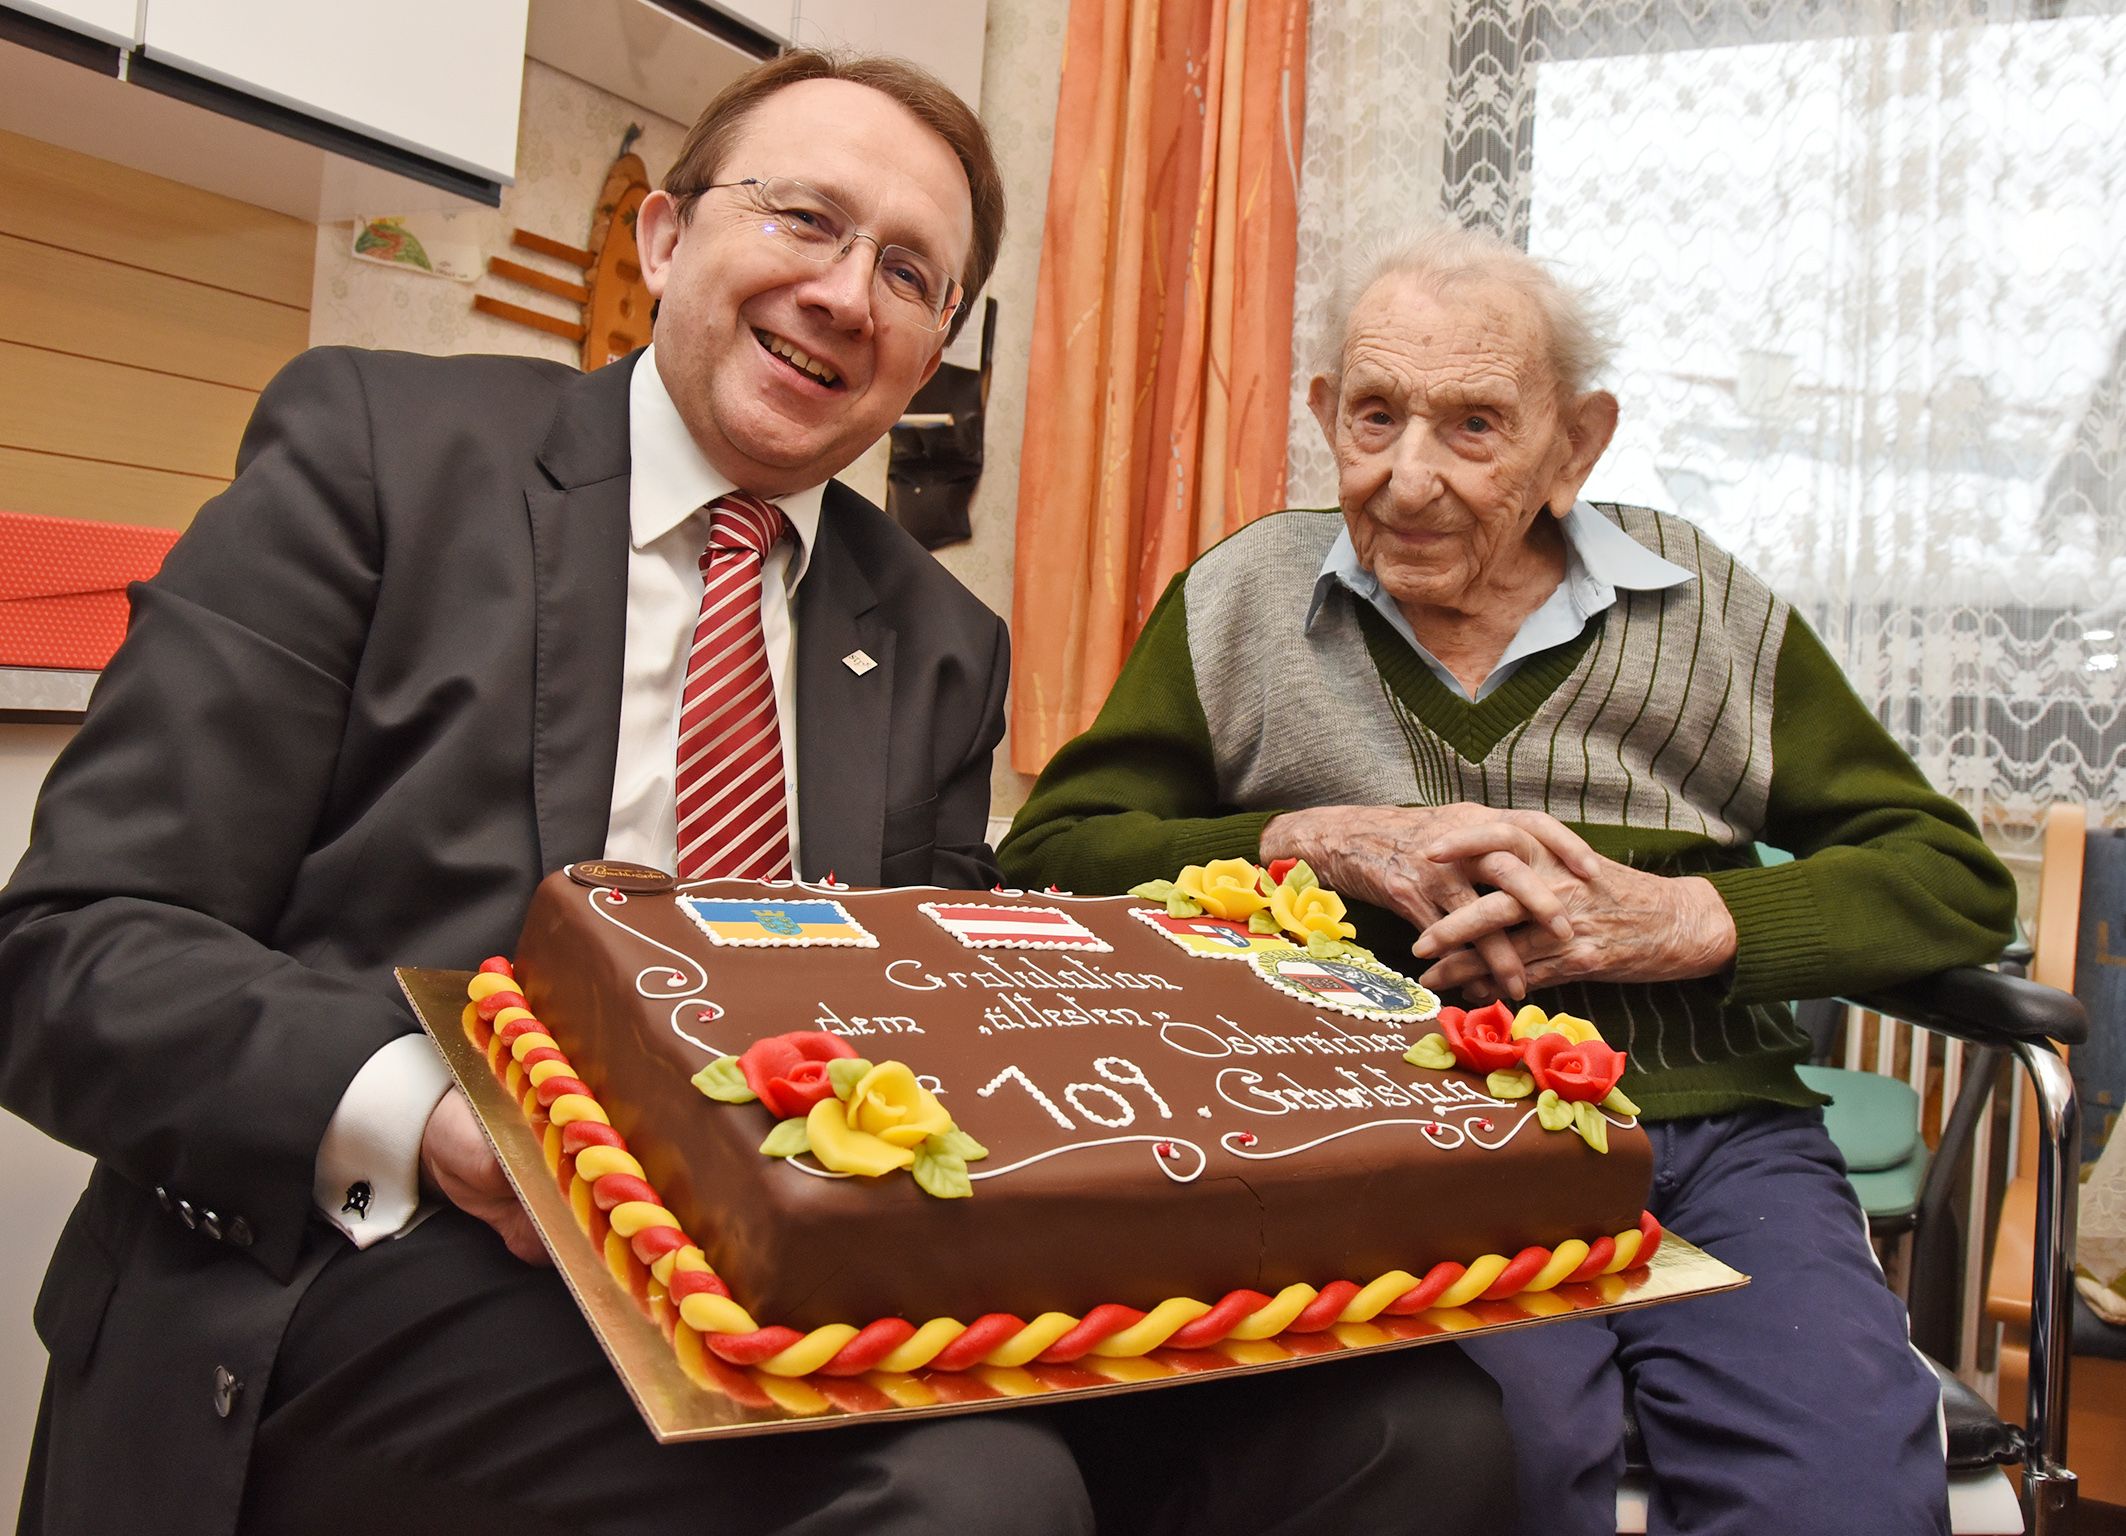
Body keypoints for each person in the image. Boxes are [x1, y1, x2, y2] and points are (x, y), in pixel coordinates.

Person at [0, 53, 1517, 1536]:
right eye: (804, 219)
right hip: (367, 1259)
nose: (847, 294)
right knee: (961, 1492)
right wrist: (454, 1116)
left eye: (911, 274)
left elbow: (928, 1004)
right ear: (667, 238)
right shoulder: (378, 453)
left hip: (793, 1271)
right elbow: (74, 952)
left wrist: (1218, 1025)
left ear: (930, 356)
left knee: (1407, 1431)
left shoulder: (934, 639)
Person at [1000, 221, 2019, 1536]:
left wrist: (1678, 921)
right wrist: (1309, 839)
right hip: (1391, 1135)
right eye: (1373, 417)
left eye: (1472, 426)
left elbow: (1946, 877)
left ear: (1573, 445)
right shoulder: (1241, 596)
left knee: (1841, 1487)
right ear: (1323, 414)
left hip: (1704, 1136)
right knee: (1498, 1463)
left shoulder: (1699, 606)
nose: (1407, 478)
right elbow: (1053, 857)